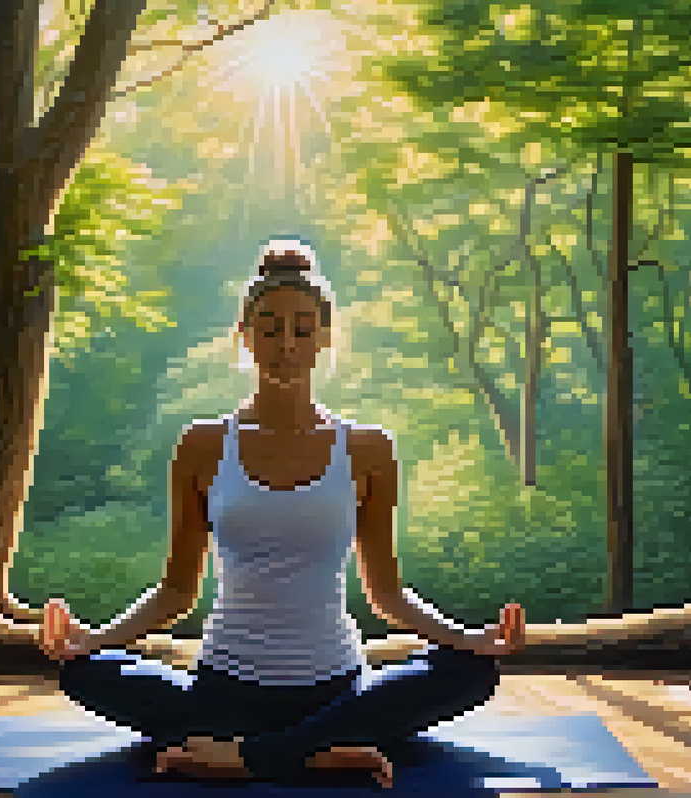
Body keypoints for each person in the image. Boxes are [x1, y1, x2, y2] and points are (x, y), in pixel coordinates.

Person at [38, 238, 526, 789]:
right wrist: (94, 638)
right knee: (86, 673)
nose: (286, 344)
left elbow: (387, 595)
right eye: (269, 328)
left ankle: (247, 757)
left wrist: (469, 638)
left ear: (324, 338)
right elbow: (176, 592)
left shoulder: (367, 449)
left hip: (337, 687)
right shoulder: (202, 444)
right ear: (245, 338)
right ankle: (315, 750)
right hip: (224, 688)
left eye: (302, 328)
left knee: (470, 672)